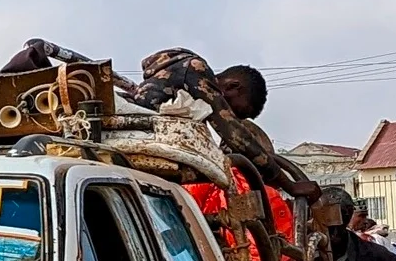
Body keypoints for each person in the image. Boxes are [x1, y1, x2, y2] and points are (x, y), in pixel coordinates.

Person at [131, 49, 319, 199]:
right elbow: (234, 134)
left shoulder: (189, 95)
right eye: (235, 112)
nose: (232, 117)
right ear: (233, 87)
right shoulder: (195, 68)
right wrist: (290, 185)